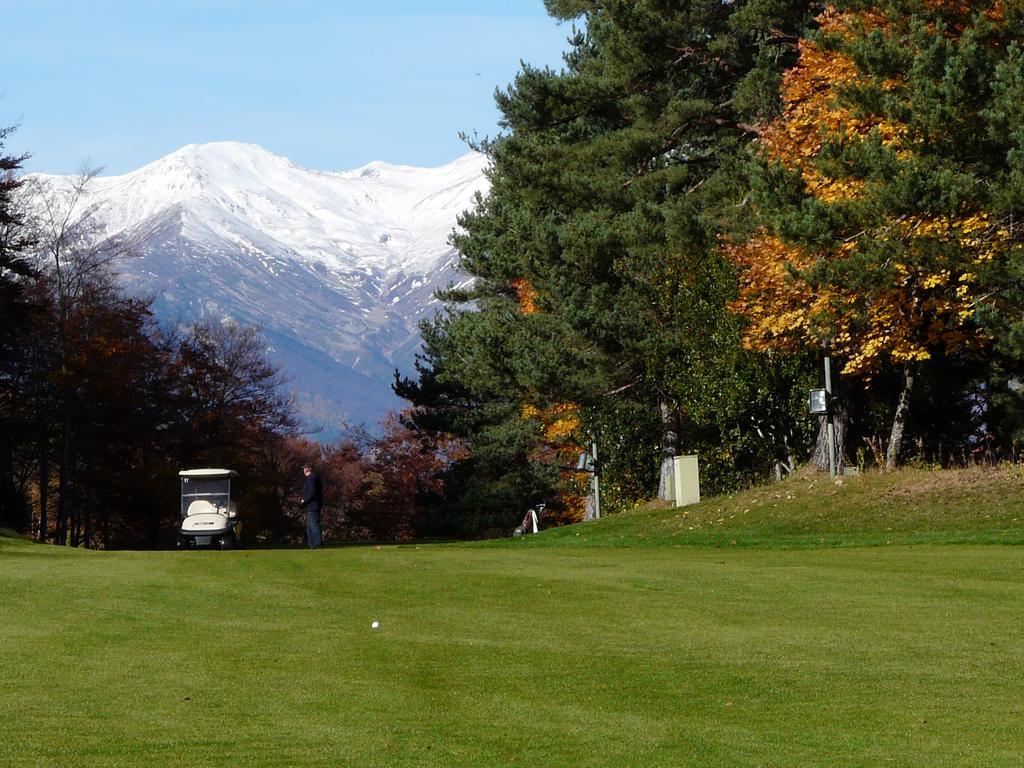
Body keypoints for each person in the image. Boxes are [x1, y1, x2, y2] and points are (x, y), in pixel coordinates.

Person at [299, 463, 324, 549]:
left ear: (307, 469)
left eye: (304, 469)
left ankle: (317, 544)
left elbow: (312, 492)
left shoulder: (311, 478)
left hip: (313, 505)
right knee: (309, 526)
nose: (304, 471)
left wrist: (304, 500)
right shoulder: (312, 478)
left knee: (313, 525)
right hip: (312, 505)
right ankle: (312, 544)